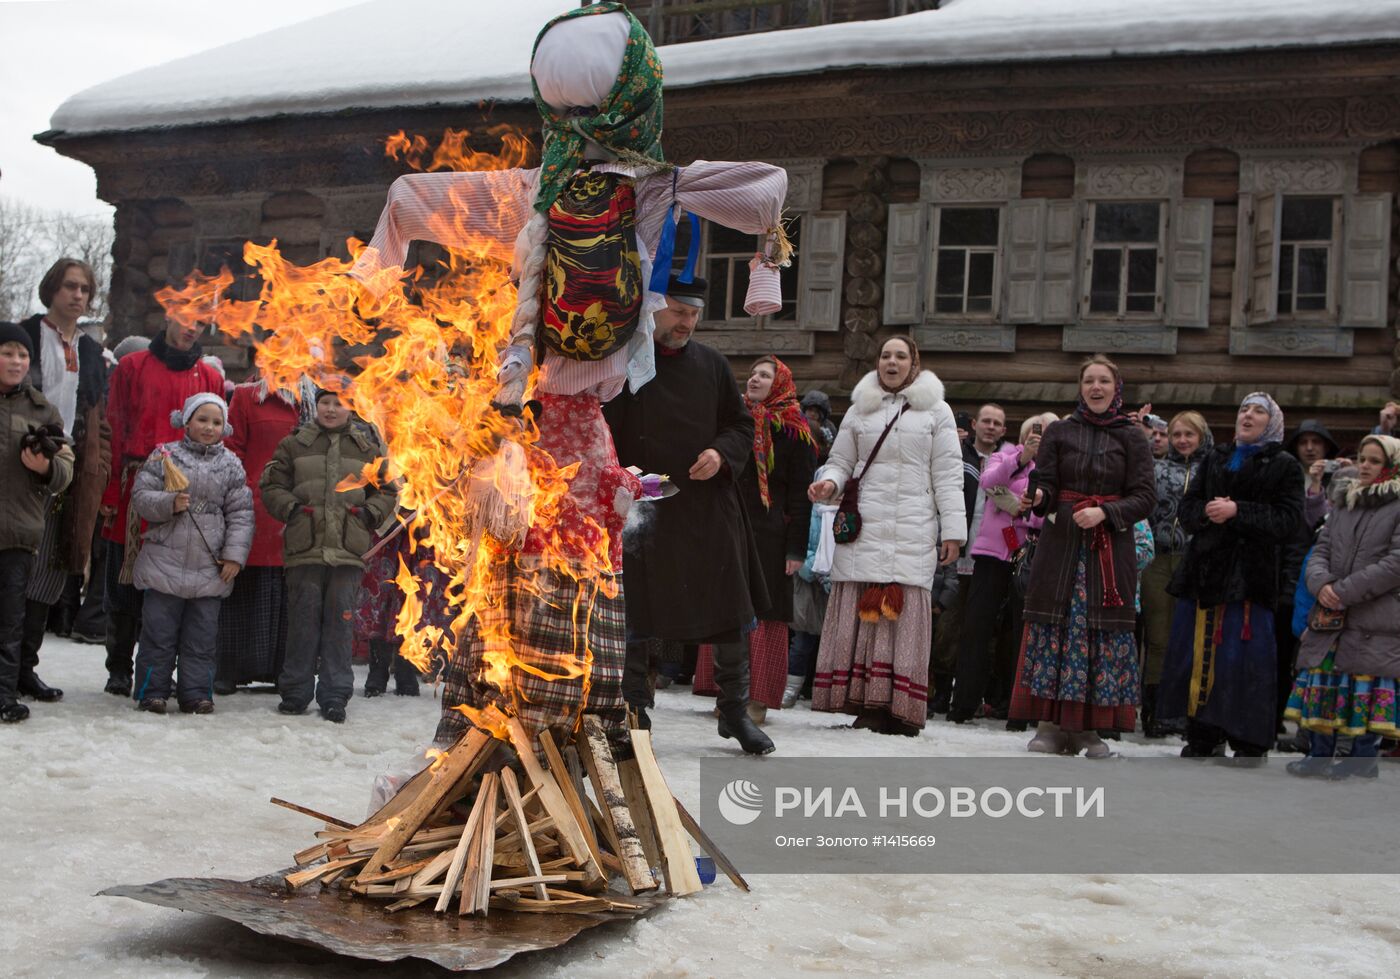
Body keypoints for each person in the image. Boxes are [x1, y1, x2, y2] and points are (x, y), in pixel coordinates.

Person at [353, 3, 789, 750]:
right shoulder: (658, 184)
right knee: (584, 585)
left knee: (496, 584)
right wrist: (763, 274)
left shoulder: (530, 190)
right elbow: (767, 190)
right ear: (639, 97)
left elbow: (407, 195)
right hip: (584, 439)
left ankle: (478, 727)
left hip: (515, 434)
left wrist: (377, 269)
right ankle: (571, 733)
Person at [605, 276, 775, 754]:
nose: (687, 323)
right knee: (636, 610)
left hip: (706, 509)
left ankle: (735, 712)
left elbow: (740, 425)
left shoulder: (712, 364)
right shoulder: (626, 362)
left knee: (728, 608)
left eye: (694, 315)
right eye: (679, 312)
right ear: (655, 308)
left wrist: (721, 454)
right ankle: (634, 711)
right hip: (644, 511)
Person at [808, 335, 966, 735]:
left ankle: (900, 707)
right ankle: (864, 701)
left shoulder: (937, 411)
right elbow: (840, 460)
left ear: (915, 362)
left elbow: (948, 476)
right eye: (885, 355)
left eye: (900, 356)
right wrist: (828, 483)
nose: (891, 362)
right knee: (864, 609)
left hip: (913, 527)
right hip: (865, 525)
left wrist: (953, 531)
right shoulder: (862, 408)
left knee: (902, 612)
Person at [1011, 355, 1156, 757]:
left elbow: (1146, 497)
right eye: (1089, 381)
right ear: (1080, 387)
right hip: (1062, 547)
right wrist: (1039, 497)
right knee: (1055, 629)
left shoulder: (1131, 437)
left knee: (1097, 634)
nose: (1095, 387)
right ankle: (1049, 726)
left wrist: (1107, 513)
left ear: (1116, 387)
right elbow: (1045, 482)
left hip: (1108, 551)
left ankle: (1088, 730)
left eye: (1103, 381)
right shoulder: (1060, 431)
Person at [1158, 392, 1303, 759]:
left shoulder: (1284, 465)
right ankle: (1204, 733)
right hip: (1205, 574)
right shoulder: (1216, 458)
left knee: (1244, 659)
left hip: (1250, 578)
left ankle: (1248, 737)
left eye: (1257, 411)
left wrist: (1238, 510)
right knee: (1200, 656)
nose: (1247, 416)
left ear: (1271, 422)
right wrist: (1208, 513)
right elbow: (1187, 508)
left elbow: (1287, 521)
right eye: (1243, 409)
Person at [99, 318, 224, 695]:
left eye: (202, 322)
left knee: (172, 586)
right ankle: (119, 666)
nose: (193, 328)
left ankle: (163, 671)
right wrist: (108, 491)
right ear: (170, 314)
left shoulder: (210, 377)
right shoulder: (132, 366)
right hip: (135, 483)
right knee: (125, 578)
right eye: (187, 318)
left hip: (190, 494)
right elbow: (114, 427)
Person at [261, 389, 398, 723]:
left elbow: (387, 491)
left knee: (340, 624)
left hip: (348, 551)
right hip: (304, 548)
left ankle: (335, 695)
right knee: (303, 623)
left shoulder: (366, 448)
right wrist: (292, 509)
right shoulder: (296, 442)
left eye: (339, 403)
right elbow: (271, 484)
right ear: (316, 406)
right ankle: (295, 692)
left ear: (350, 407)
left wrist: (367, 516)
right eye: (325, 402)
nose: (331, 409)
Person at [692, 356, 816, 723]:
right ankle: (726, 692)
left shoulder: (795, 431)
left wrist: (796, 548)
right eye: (753, 373)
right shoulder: (734, 423)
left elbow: (799, 496)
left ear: (780, 384)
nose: (755, 379)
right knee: (727, 603)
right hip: (730, 525)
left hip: (770, 535)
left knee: (765, 612)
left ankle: (756, 698)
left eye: (765, 375)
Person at [11, 259, 110, 703]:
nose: (78, 296)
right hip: (17, 458)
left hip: (66, 462)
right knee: (12, 567)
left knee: (50, 568)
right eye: (70, 287)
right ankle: (5, 668)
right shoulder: (24, 336)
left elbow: (94, 417)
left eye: (85, 289)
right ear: (52, 288)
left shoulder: (91, 351)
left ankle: (24, 668)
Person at [129, 394, 253, 714]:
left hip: (208, 567)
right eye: (202, 419)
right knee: (158, 634)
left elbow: (240, 514)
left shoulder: (231, 465)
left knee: (201, 639)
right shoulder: (164, 456)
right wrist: (168, 504)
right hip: (163, 563)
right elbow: (141, 496)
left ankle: (196, 693)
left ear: (224, 427)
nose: (209, 427)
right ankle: (152, 691)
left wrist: (234, 556)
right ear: (185, 421)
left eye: (216, 422)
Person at [1285, 435, 1400, 778]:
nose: (1364, 466)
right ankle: (1319, 755)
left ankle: (1362, 760)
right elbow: (1320, 549)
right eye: (1362, 459)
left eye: (1374, 461)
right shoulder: (1345, 502)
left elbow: (1395, 563)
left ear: (1391, 467)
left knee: (1364, 683)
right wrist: (1322, 585)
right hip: (1332, 614)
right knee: (1325, 681)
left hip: (1372, 616)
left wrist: (1344, 591)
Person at [948, 412, 1055, 723]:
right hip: (992, 553)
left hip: (1029, 555)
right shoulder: (1005, 455)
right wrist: (1023, 456)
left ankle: (1016, 706)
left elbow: (1049, 514)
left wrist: (1028, 510)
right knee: (975, 629)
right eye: (1035, 433)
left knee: (1020, 633)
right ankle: (964, 703)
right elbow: (988, 482)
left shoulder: (1053, 469)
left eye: (1046, 434)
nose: (1040, 438)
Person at [0, 324, 75, 723]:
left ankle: (4, 694)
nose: (15, 361)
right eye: (7, 352)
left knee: (10, 621)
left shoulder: (42, 409)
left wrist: (46, 468)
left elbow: (66, 469)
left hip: (16, 530)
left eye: (22, 355)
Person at [214, 371, 303, 694]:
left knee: (290, 597)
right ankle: (230, 667)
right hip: (253, 506)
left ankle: (283, 670)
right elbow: (232, 448)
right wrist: (240, 491)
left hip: (298, 511)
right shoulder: (246, 396)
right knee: (242, 590)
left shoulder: (313, 403)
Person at [928, 402, 1007, 713]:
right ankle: (940, 692)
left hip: (989, 560)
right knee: (948, 628)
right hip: (956, 553)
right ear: (974, 424)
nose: (990, 426)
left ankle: (970, 698)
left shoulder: (1008, 460)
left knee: (982, 634)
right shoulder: (959, 456)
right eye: (985, 421)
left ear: (1003, 430)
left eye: (996, 423)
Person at [1139, 410, 1213, 736]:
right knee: (1158, 638)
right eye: (1177, 434)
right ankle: (1155, 711)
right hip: (1158, 559)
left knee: (1193, 638)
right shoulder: (1156, 469)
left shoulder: (1212, 470)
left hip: (1196, 561)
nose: (1183, 440)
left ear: (1201, 437)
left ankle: (1190, 711)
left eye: (1189, 434)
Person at [1286, 419, 1346, 531]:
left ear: (1326, 446)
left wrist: (1350, 475)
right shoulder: (1286, 478)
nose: (1309, 448)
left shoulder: (1337, 479)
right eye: (1303, 442)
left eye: (1316, 442)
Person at [801, 389, 837, 465]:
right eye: (810, 410)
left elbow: (834, 451)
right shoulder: (797, 424)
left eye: (817, 411)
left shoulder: (828, 427)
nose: (813, 414)